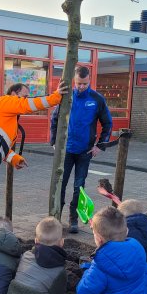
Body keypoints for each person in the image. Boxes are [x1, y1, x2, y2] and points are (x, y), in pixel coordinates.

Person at [0, 80, 68, 248]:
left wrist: (15, 158)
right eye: (23, 96)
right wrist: (56, 97)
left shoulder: (5, 115)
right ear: (14, 94)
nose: (25, 99)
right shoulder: (5, 101)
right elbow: (29, 105)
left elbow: (1, 145)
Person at [50, 66, 112, 233]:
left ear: (89, 80)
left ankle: (73, 218)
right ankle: (55, 218)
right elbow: (54, 119)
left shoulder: (97, 99)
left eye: (84, 83)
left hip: (85, 152)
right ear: (74, 81)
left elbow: (107, 123)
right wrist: (54, 142)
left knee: (79, 187)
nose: (81, 86)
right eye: (78, 83)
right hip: (66, 151)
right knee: (60, 185)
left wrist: (100, 145)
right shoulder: (66, 96)